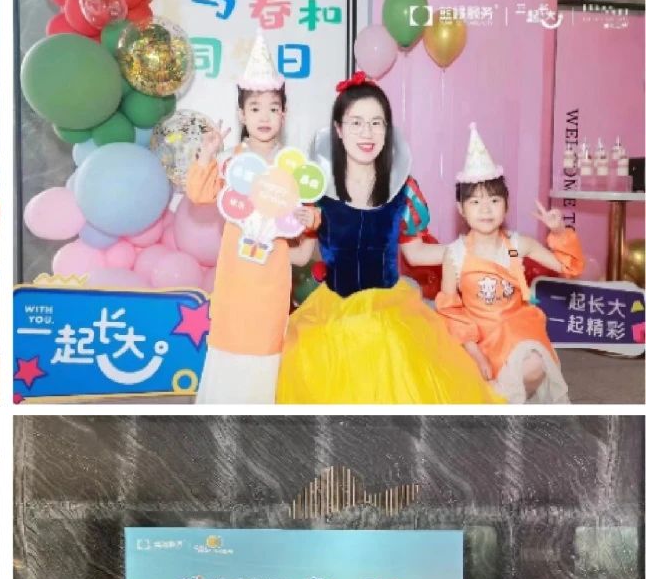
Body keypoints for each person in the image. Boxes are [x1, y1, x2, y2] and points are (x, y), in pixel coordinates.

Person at [275, 73, 504, 404]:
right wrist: (265, 235)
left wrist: (470, 248)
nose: (367, 133)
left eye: (376, 123)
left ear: (387, 130)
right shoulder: (318, 190)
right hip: (333, 311)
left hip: (390, 307)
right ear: (338, 129)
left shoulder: (402, 190)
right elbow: (300, 256)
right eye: (356, 123)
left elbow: (416, 254)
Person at [187, 32, 310, 404]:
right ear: (242, 114)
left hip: (272, 277)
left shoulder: (292, 167)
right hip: (236, 278)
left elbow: (307, 221)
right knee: (230, 349)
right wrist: (208, 154)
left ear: (284, 114)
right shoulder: (232, 163)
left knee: (265, 353)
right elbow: (200, 194)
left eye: (273, 108)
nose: (265, 117)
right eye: (255, 108)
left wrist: (311, 217)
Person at [436, 123, 585, 403]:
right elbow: (450, 310)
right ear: (461, 209)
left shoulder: (519, 244)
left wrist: (558, 232)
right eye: (475, 202)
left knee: (533, 365)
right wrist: (474, 352)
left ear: (506, 205)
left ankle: (502, 404)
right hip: (477, 338)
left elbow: (569, 267)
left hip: (519, 330)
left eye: (494, 200)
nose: (485, 209)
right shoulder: (454, 255)